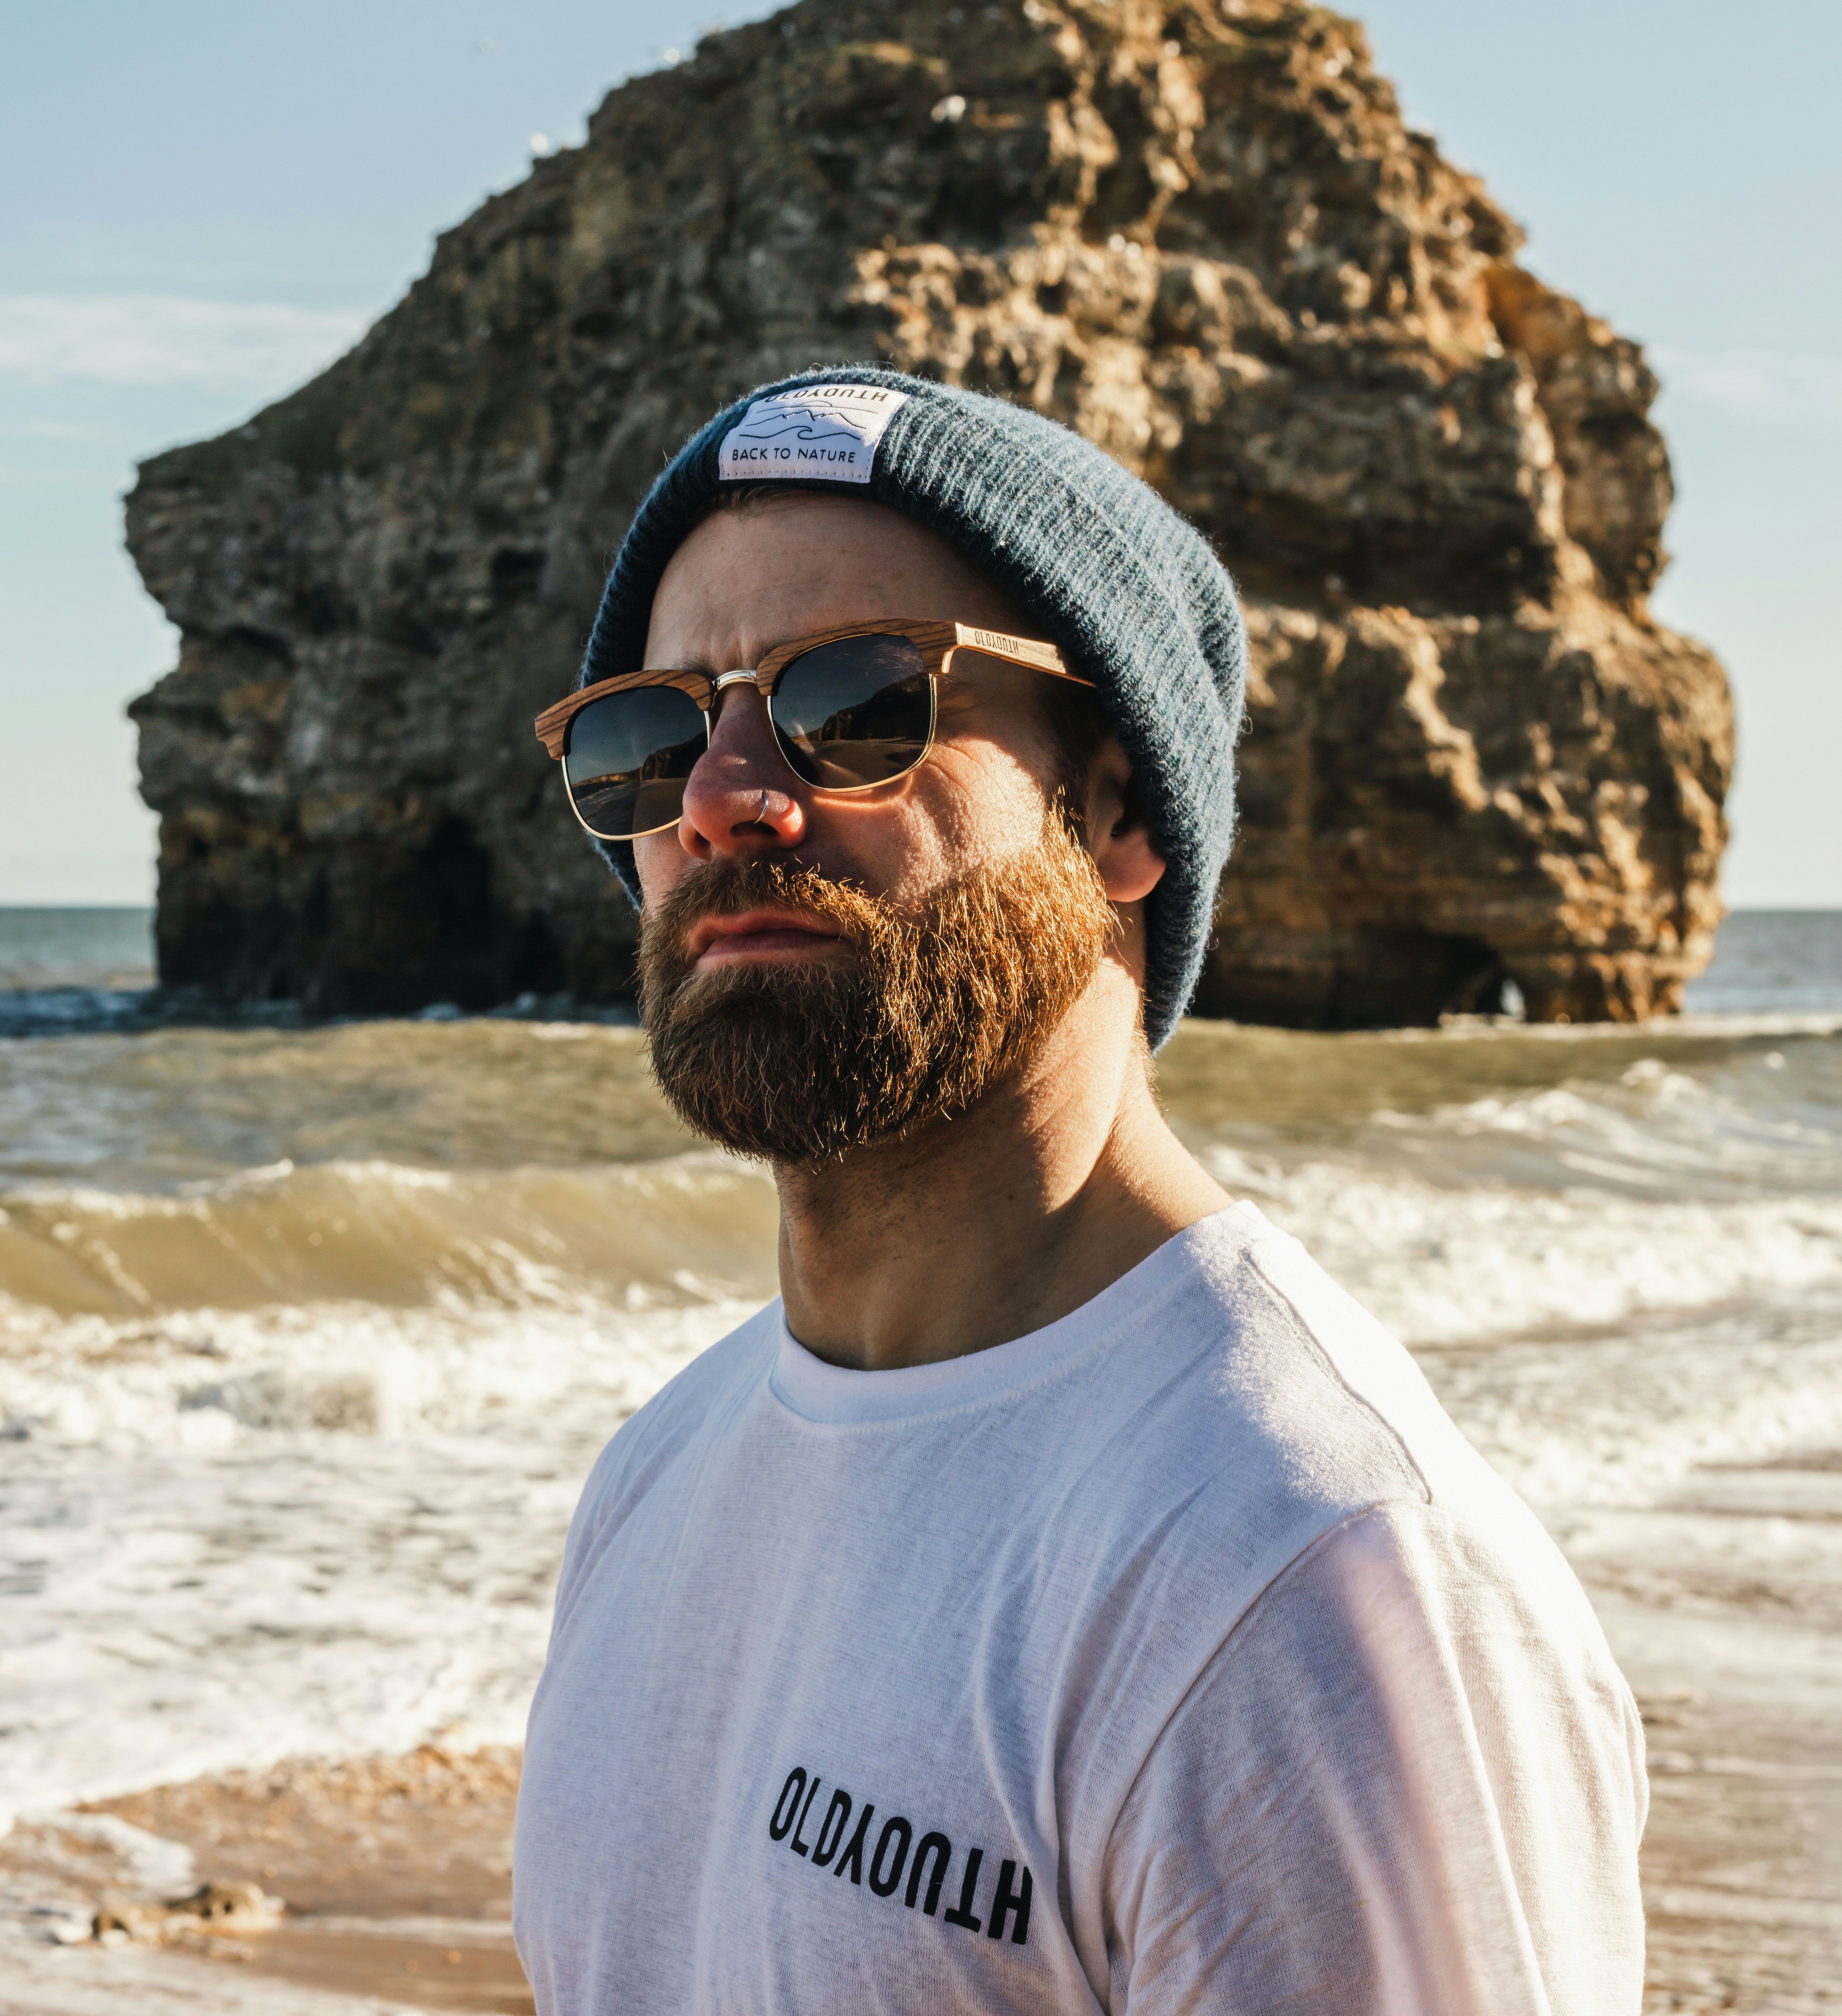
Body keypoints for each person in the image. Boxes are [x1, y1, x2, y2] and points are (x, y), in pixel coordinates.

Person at [513, 370, 1647, 2013]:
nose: (722, 797)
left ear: (1118, 806)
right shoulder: (653, 1481)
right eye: (655, 732)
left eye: (854, 706)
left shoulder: (1313, 1574)